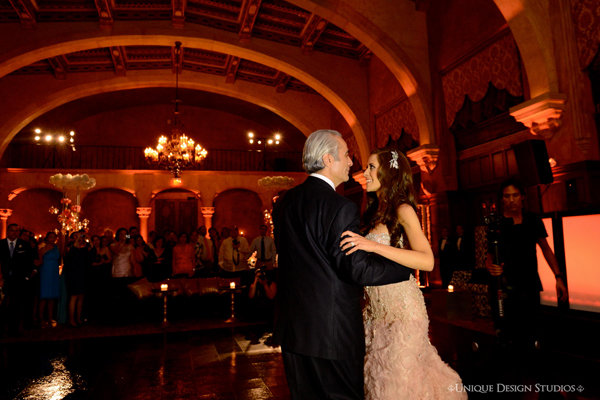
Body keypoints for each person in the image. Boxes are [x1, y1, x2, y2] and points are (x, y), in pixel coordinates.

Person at [272, 129, 413, 400]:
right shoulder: (339, 206)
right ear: (328, 159)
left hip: (293, 330)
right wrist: (403, 268)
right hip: (332, 333)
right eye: (347, 155)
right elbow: (355, 269)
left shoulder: (285, 203)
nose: (351, 162)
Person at [340, 148, 466, 399]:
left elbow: (427, 261)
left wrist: (373, 246)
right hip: (376, 315)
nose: (365, 173)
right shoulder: (374, 212)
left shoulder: (404, 209)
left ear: (389, 173)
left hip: (403, 312)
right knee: (378, 380)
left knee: (397, 381)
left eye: (371, 167)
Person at [486, 178, 568, 350]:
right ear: (502, 199)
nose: (511, 200)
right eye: (507, 196)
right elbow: (489, 256)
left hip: (528, 282)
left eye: (515, 195)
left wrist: (558, 277)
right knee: (507, 333)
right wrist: (491, 266)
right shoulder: (497, 224)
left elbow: (546, 249)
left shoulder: (532, 220)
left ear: (522, 197)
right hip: (504, 285)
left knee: (530, 330)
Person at [0, 223, 36, 334]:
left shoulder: (24, 244)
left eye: (16, 231)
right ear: (8, 231)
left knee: (16, 305)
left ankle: (14, 328)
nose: (14, 233)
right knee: (3, 304)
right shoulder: (0, 244)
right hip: (3, 279)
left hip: (18, 280)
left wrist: (27, 276)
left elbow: (29, 262)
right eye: (12, 230)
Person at [37, 231, 60, 328]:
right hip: (45, 272)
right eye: (51, 237)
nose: (52, 239)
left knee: (52, 297)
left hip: (54, 272)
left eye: (54, 237)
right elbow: (39, 258)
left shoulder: (56, 247)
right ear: (47, 238)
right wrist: (45, 249)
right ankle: (41, 318)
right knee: (44, 296)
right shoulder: (42, 245)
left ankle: (50, 318)